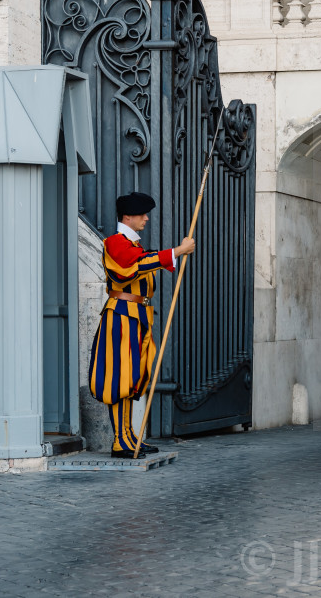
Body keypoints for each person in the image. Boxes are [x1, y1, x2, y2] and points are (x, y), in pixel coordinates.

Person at [89, 192, 195, 458]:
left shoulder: (133, 244)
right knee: (120, 378)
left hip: (137, 315)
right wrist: (176, 252)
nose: (147, 219)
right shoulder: (115, 243)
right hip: (122, 315)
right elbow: (131, 267)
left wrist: (173, 255)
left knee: (134, 377)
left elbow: (146, 260)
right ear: (128, 216)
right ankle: (120, 440)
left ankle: (130, 436)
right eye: (143, 214)